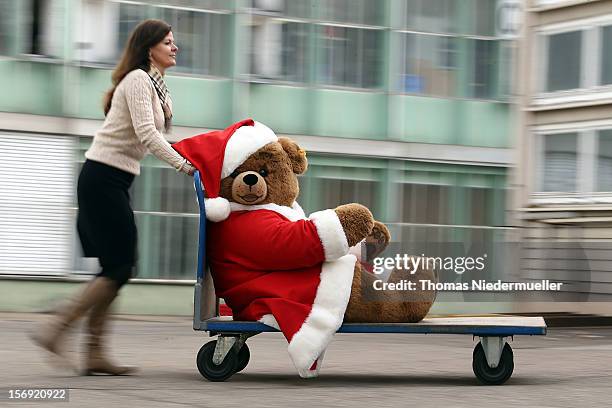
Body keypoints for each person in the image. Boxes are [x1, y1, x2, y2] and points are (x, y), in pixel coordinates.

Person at [31, 19, 195, 375]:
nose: (175, 47)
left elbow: (159, 137)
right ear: (149, 47)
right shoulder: (138, 80)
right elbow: (149, 136)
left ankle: (93, 353)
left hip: (115, 180)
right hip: (101, 177)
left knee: (116, 267)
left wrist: (193, 156)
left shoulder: (157, 86)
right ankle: (57, 328)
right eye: (168, 42)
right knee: (121, 266)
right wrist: (187, 167)